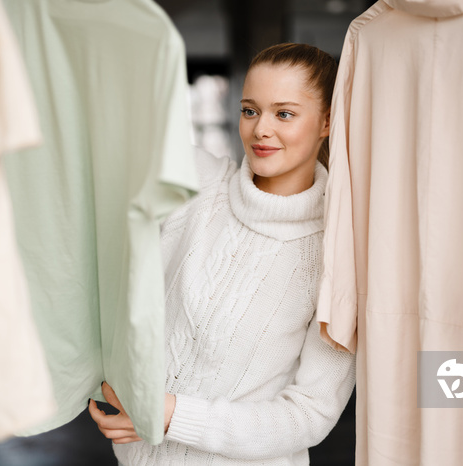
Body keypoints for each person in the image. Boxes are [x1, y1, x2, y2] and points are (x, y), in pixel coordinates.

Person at [89, 43, 356, 465]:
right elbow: (99, 123)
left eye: (284, 113)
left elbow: (309, 414)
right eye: (250, 110)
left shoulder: (339, 254)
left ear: (326, 122)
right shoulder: (198, 183)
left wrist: (172, 414)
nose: (260, 129)